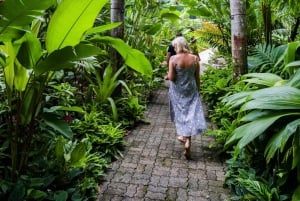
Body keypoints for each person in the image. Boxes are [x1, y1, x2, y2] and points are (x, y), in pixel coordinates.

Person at [164, 36, 207, 159]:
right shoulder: (194, 58)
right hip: (191, 89)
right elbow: (197, 77)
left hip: (178, 91)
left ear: (177, 46)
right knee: (190, 113)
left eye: (175, 46)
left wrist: (167, 77)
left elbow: (172, 77)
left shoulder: (173, 59)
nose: (174, 48)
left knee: (180, 113)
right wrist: (198, 90)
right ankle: (188, 140)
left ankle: (182, 136)